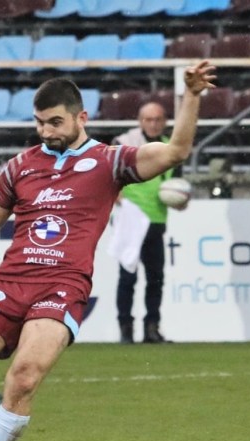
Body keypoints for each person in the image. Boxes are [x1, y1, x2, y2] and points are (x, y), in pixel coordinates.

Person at [0, 61, 216, 441]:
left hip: (62, 288)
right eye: (39, 123)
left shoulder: (109, 162)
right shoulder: (20, 167)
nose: (46, 132)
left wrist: (192, 97)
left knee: (24, 377)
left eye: (55, 122)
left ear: (82, 117)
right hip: (9, 282)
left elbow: (176, 150)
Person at [112, 101, 189, 344]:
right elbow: (108, 175)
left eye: (157, 119)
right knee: (128, 277)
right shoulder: (124, 143)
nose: (153, 124)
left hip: (156, 220)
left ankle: (152, 328)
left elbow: (177, 184)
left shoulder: (172, 148)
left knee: (156, 278)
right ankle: (126, 329)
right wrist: (116, 196)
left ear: (164, 121)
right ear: (140, 121)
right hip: (130, 219)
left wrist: (180, 200)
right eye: (148, 119)